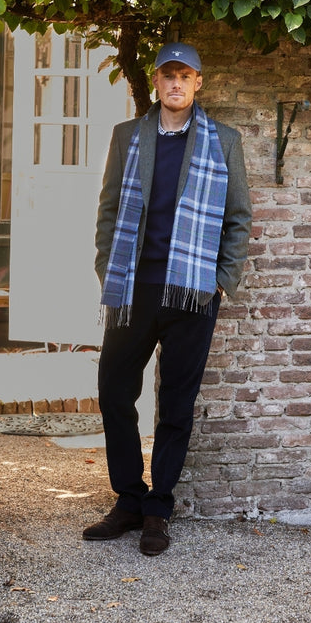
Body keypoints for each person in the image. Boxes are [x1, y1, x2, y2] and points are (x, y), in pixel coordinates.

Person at [83, 42, 252, 556]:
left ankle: (158, 508)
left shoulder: (225, 141)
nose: (176, 83)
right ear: (156, 82)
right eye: (168, 75)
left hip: (193, 293)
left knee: (177, 403)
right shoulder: (127, 136)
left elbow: (238, 218)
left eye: (185, 75)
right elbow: (107, 208)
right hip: (133, 289)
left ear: (198, 82)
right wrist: (106, 268)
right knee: (115, 393)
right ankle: (128, 499)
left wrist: (220, 280)